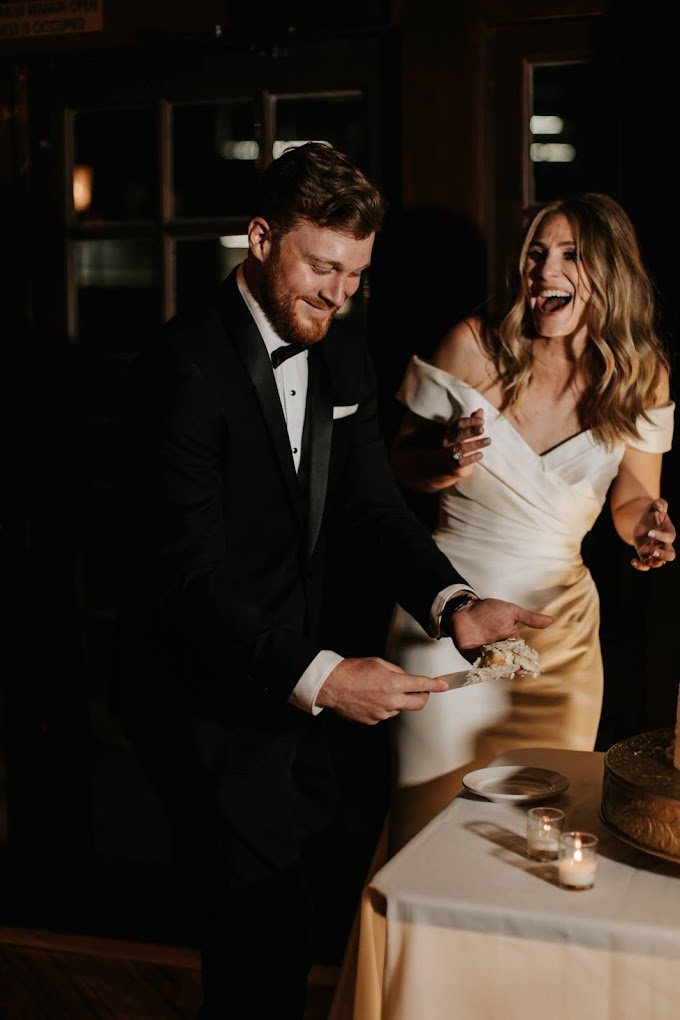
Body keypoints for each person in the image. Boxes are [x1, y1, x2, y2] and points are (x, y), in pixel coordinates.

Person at [114, 142, 551, 1020]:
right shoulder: (181, 370)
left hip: (302, 686)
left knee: (283, 922)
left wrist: (454, 605)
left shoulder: (344, 354)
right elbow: (187, 581)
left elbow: (373, 509)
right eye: (322, 266)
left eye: (356, 273)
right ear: (261, 237)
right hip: (210, 685)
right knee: (260, 931)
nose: (339, 292)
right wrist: (323, 674)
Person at [384, 191, 676, 852]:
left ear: (610, 271)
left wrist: (648, 530)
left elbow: (633, 500)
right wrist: (445, 463)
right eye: (537, 253)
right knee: (429, 825)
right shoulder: (472, 345)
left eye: (570, 256)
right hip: (444, 616)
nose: (545, 271)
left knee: (541, 831)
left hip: (559, 636)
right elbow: (401, 462)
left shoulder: (641, 376)